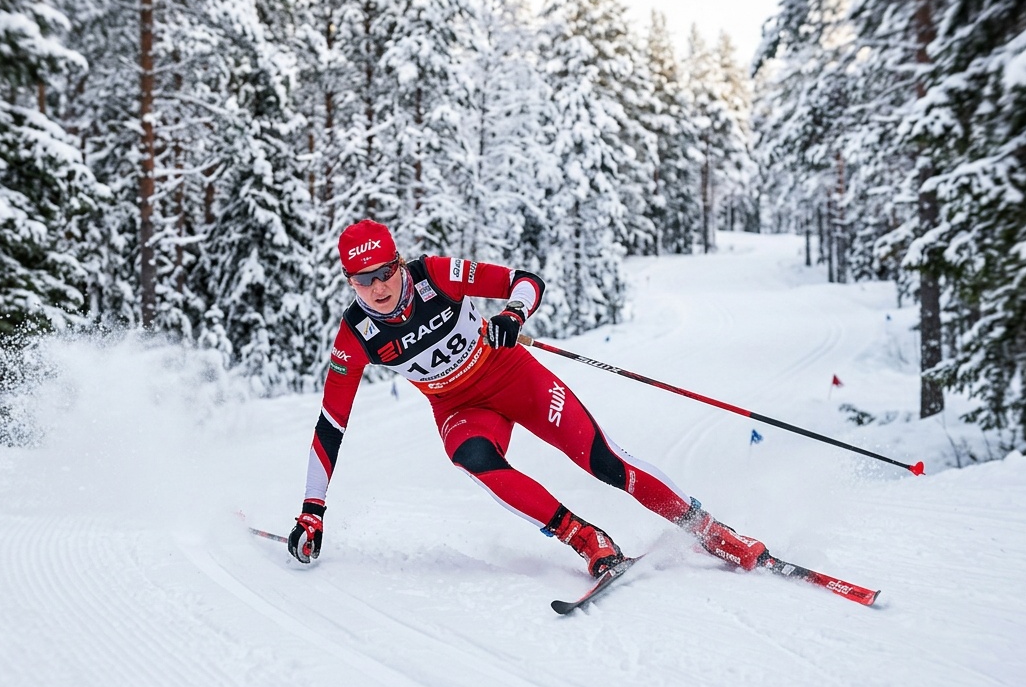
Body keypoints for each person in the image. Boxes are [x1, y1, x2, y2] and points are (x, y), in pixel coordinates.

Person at [287, 220, 766, 576]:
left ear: (399, 263)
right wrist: (313, 510)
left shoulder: (437, 274)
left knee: (602, 459)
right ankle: (588, 540)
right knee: (471, 456)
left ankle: (712, 532)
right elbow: (331, 424)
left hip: (513, 376)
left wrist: (513, 314)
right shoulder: (356, 335)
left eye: (385, 272)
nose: (379, 287)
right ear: (349, 283)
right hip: (459, 408)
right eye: (363, 279)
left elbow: (526, 279)